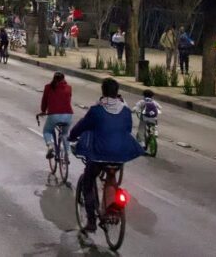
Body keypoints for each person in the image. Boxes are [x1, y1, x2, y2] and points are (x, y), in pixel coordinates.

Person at [68, 78, 143, 233]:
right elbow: (128, 129)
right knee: (111, 176)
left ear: (103, 91)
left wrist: (72, 136)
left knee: (88, 182)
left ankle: (91, 221)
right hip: (120, 154)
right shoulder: (126, 111)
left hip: (98, 155)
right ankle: (113, 206)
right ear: (117, 92)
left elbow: (82, 125)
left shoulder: (96, 110)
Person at [40, 72, 74, 159]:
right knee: (65, 134)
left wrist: (43, 111)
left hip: (54, 115)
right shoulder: (69, 88)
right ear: (64, 79)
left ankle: (50, 146)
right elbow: (68, 100)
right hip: (68, 115)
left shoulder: (48, 87)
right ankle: (68, 152)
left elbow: (44, 101)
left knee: (47, 131)